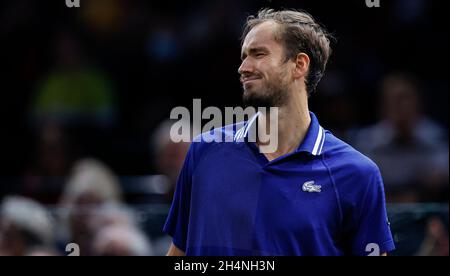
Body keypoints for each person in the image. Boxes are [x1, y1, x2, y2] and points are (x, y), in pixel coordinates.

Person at [163, 9, 395, 256]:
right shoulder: (204, 152)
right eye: (243, 57)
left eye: (258, 54)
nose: (243, 67)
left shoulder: (357, 174)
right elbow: (180, 252)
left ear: (299, 64)